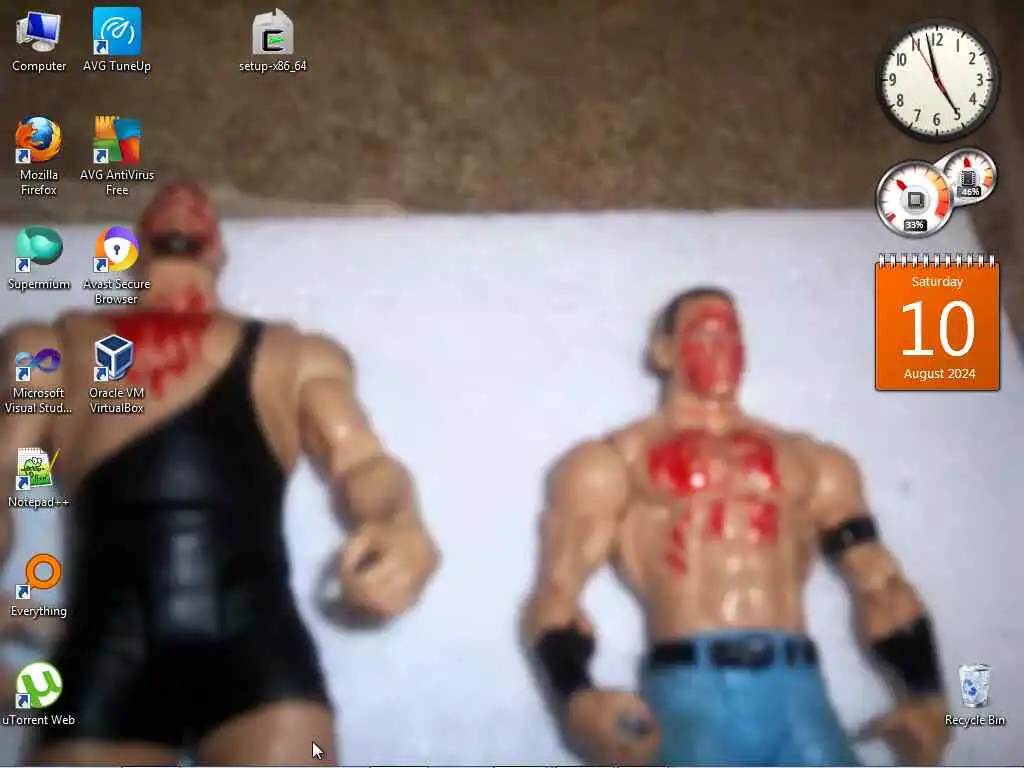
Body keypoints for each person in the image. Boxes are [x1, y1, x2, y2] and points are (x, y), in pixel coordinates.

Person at [0, 183, 440, 766]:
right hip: (106, 647)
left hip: (258, 648)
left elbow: (363, 462)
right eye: (163, 205)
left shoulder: (294, 356)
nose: (184, 197)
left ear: (220, 252)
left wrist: (402, 521)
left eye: (200, 209)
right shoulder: (52, 347)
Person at [522, 287, 949, 766]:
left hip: (799, 694)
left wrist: (927, 692)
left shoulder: (813, 463)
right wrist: (576, 699)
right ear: (662, 351)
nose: (722, 348)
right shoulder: (613, 462)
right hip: (691, 695)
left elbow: (879, 581)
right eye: (704, 334)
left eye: (731, 336)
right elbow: (555, 595)